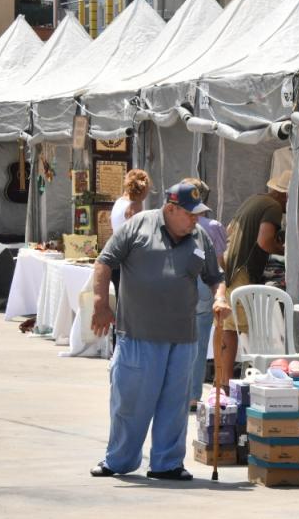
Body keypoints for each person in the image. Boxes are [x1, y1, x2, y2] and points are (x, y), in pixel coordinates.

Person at [89, 182, 230, 481]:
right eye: (190, 215)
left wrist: (220, 296)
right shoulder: (139, 225)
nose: (195, 220)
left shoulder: (199, 236)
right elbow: (104, 261)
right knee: (130, 402)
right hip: (139, 334)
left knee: (176, 405)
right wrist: (101, 303)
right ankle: (118, 461)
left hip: (183, 338)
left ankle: (167, 464)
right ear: (170, 209)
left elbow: (216, 276)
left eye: (198, 215)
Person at [217, 168, 288, 365]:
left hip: (231, 267)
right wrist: (287, 252)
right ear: (285, 195)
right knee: (233, 330)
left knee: (229, 328)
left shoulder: (254, 200)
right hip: (243, 273)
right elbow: (264, 242)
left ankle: (223, 381)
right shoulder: (273, 206)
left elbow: (228, 231)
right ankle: (225, 386)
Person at [181, 178, 227, 411]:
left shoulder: (172, 223)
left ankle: (175, 392)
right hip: (203, 285)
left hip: (179, 284)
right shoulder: (214, 226)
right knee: (198, 344)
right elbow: (218, 264)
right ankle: (191, 395)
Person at [110, 168, 150, 234]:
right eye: (148, 188)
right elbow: (139, 234)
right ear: (144, 189)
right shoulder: (135, 205)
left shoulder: (120, 201)